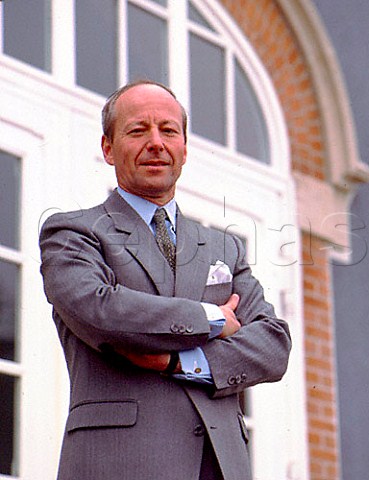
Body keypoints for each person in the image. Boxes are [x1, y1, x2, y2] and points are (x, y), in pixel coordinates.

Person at [39, 80, 291, 480]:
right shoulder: (73, 232)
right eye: (138, 130)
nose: (155, 142)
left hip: (220, 467)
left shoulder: (225, 248)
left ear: (184, 149)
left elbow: (274, 345)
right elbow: (101, 310)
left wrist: (180, 361)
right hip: (120, 465)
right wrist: (211, 319)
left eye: (169, 131)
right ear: (108, 148)